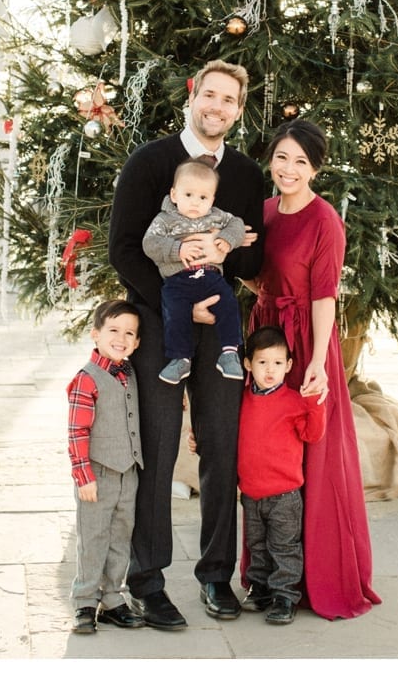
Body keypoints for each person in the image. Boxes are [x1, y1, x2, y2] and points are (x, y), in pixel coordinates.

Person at [107, 59, 266, 629]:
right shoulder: (149, 163)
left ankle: (217, 575)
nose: (217, 107)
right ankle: (147, 581)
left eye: (230, 100)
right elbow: (124, 249)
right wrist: (175, 301)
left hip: (222, 326)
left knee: (223, 447)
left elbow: (252, 255)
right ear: (194, 96)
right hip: (161, 324)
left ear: (239, 111)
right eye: (210, 95)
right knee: (158, 448)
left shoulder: (246, 176)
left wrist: (229, 255)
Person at [247, 118, 380, 620]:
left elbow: (324, 296)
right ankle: (267, 577)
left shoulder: (325, 220)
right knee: (269, 447)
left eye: (301, 161)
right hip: (268, 339)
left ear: (315, 168)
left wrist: (321, 362)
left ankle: (312, 579)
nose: (288, 168)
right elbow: (256, 274)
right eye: (282, 157)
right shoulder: (262, 212)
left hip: (306, 341)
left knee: (316, 456)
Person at [235, 325, 327, 625]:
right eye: (262, 362)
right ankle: (259, 588)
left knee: (284, 547)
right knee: (256, 546)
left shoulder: (293, 401)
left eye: (277, 363)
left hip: (285, 495)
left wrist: (314, 404)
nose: (270, 370)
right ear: (249, 364)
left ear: (288, 365)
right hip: (250, 493)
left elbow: (313, 435)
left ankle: (285, 595)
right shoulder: (241, 399)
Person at [66, 300, 146, 635]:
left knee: (119, 536)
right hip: (97, 473)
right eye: (113, 330)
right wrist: (84, 477)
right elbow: (76, 431)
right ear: (96, 334)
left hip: (128, 472)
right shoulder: (87, 379)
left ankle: (113, 597)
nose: (121, 338)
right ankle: (85, 600)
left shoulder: (129, 373)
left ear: (137, 343)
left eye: (129, 333)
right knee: (94, 536)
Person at [142, 159, 248, 385]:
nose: (195, 203)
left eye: (203, 197)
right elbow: (149, 243)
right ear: (174, 194)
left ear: (212, 200)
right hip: (178, 279)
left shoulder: (216, 216)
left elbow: (237, 224)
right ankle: (180, 358)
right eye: (188, 195)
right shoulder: (165, 220)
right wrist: (177, 248)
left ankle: (229, 353)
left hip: (209, 274)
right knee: (176, 310)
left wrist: (227, 240)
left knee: (228, 302)